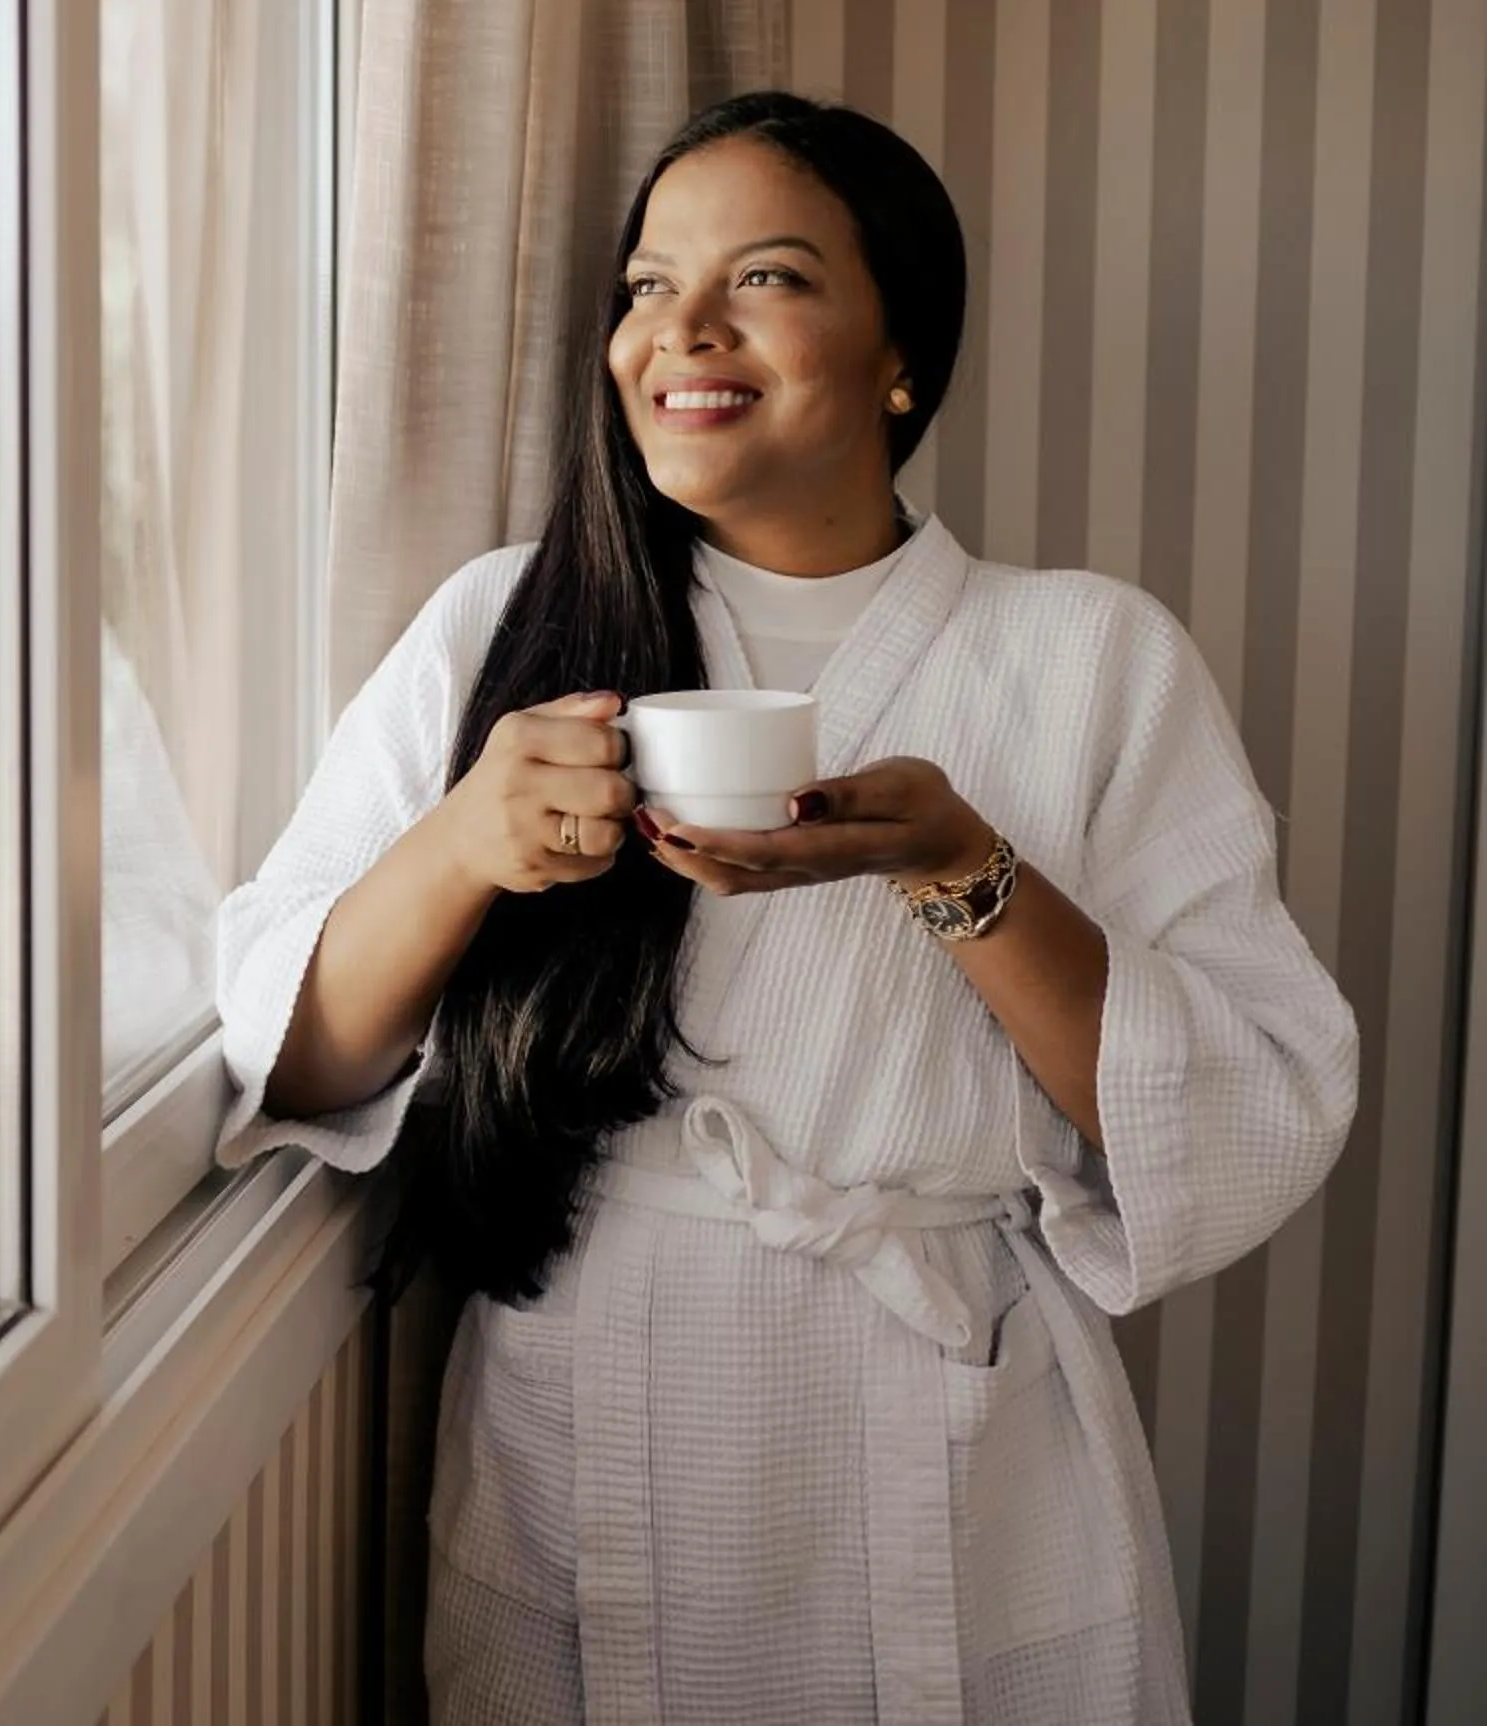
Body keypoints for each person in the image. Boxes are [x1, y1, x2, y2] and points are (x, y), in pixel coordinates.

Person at [215, 91, 1358, 1724]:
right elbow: (295, 1057)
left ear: (905, 352)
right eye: (645, 284)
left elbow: (1245, 1104)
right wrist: (463, 844)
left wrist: (960, 870)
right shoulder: (503, 626)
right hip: (588, 1399)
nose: (680, 327)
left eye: (766, 277)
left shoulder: (1091, 655)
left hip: (946, 1410)